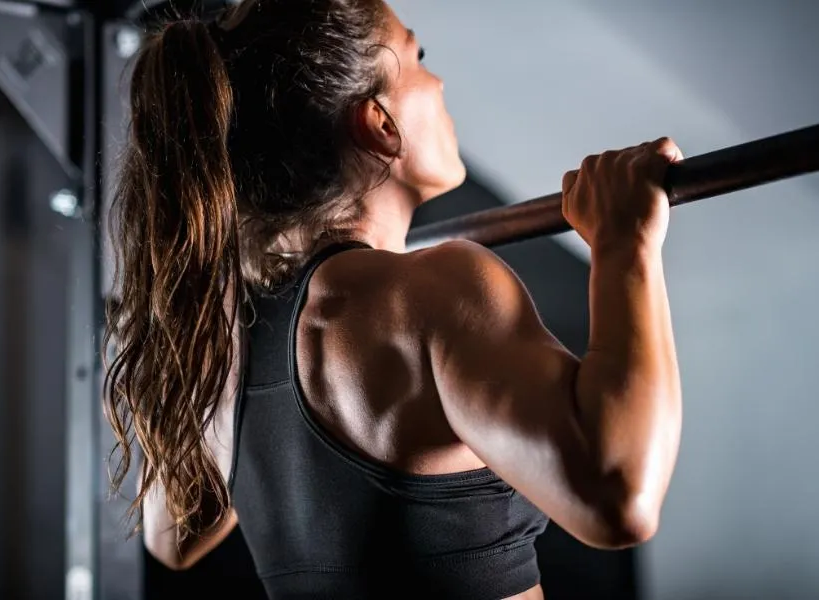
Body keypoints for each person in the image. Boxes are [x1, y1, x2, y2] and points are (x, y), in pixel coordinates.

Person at [103, 0, 683, 598]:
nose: (440, 80)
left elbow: (173, 537)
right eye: (418, 55)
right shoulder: (435, 292)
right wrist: (624, 241)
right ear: (381, 122)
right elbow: (620, 498)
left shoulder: (223, 341)